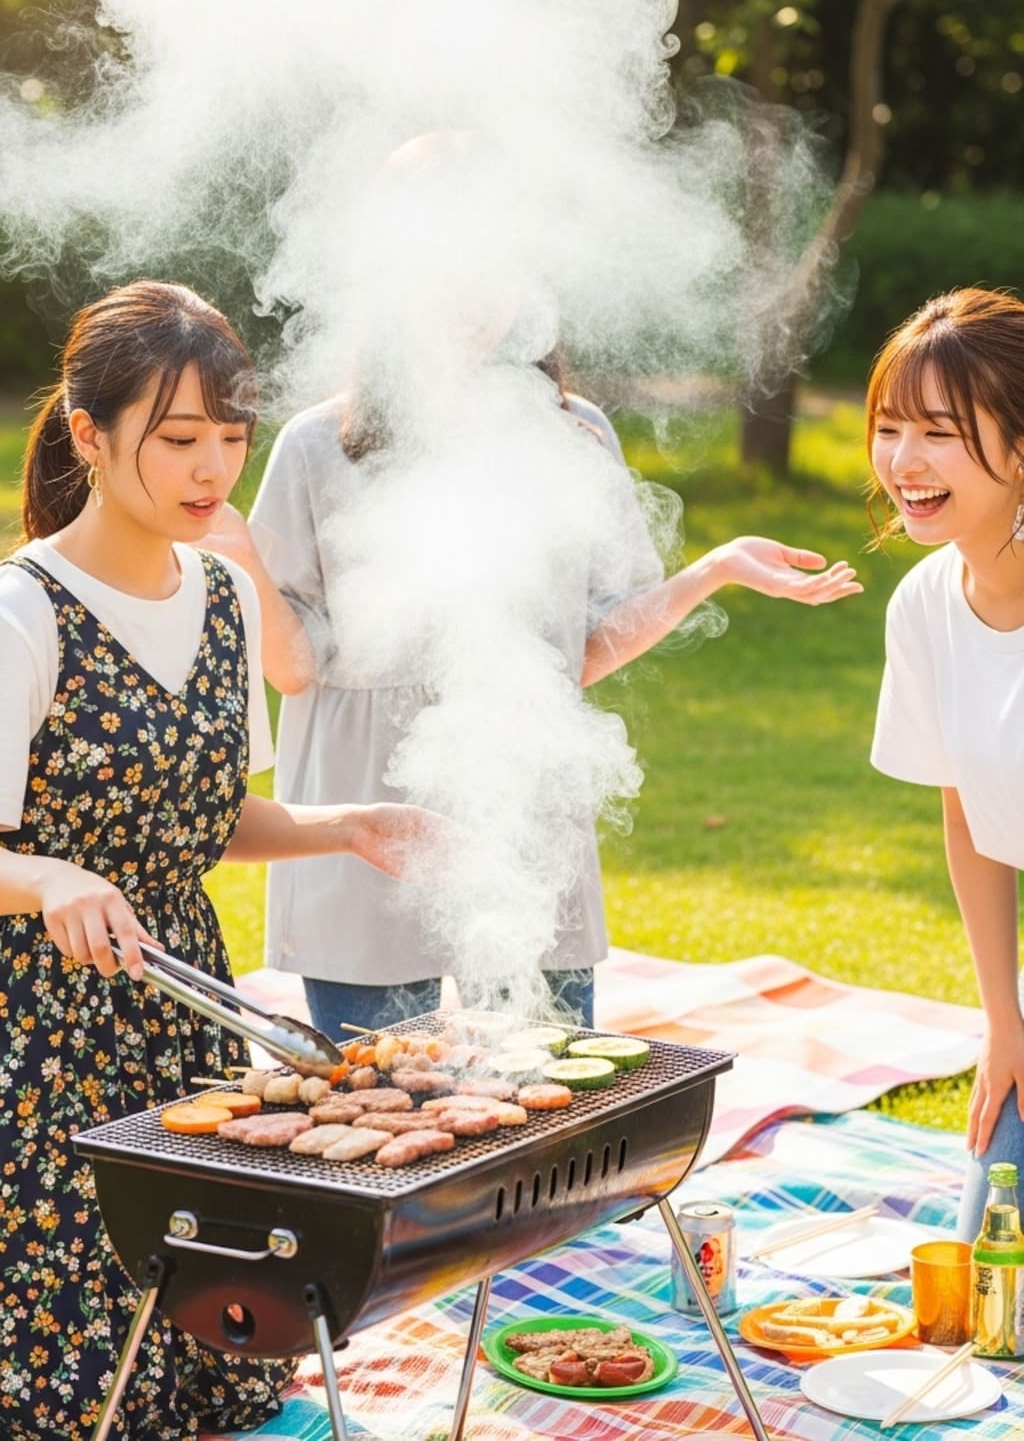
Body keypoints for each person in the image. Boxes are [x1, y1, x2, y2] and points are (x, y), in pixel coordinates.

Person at [0, 280, 454, 1441]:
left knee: (209, 1326)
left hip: (184, 1001)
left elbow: (205, 817)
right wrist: (49, 876)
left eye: (232, 438)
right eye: (181, 437)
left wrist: (340, 820)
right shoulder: (24, 613)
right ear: (89, 432)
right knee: (77, 1360)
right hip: (40, 1027)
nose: (214, 470)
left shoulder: (222, 593)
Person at [210, 349, 861, 1043]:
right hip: (367, 822)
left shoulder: (577, 434)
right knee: (387, 1115)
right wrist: (243, 555)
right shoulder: (317, 444)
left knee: (546, 1091)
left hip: (528, 811)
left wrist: (712, 569)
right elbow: (294, 667)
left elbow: (581, 647)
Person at [868, 287, 1024, 1241]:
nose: (904, 461)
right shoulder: (926, 606)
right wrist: (1002, 1021)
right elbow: (969, 816)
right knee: (984, 1273)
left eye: (939, 431)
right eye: (890, 427)